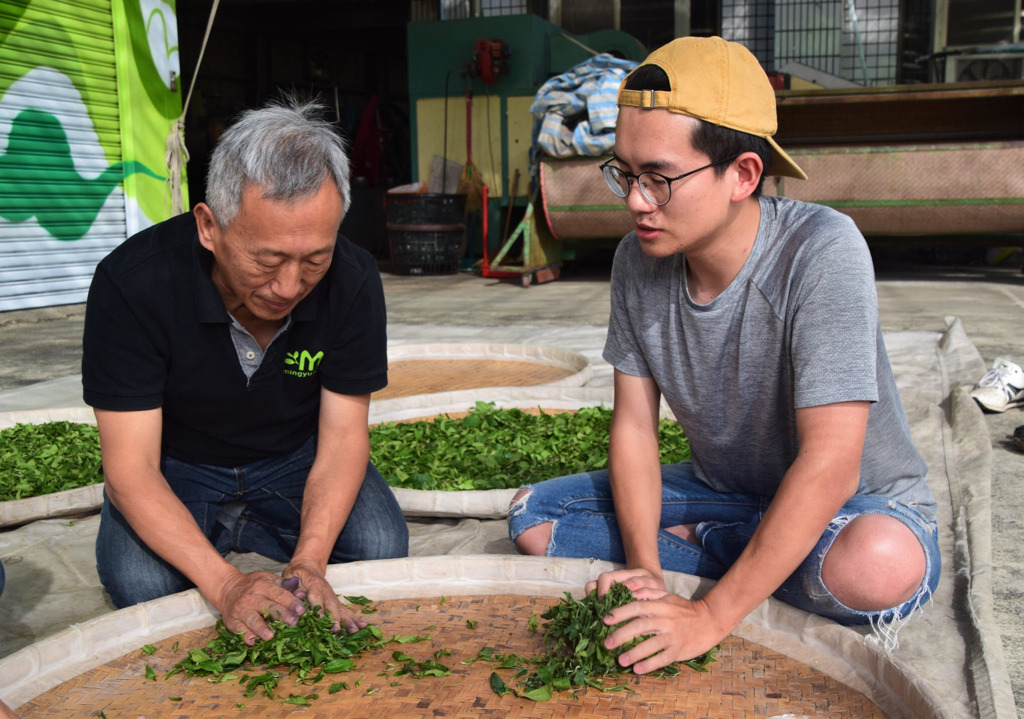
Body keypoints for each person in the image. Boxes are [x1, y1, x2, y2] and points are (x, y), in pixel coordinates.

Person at [507, 36, 940, 673]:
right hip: (726, 490)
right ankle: (736, 553)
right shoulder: (637, 261)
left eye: (659, 179)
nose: (634, 202)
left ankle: (722, 564)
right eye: (624, 174)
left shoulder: (821, 250)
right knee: (534, 517)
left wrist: (709, 617)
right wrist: (646, 571)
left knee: (878, 567)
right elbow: (633, 426)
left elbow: (832, 464)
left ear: (742, 174)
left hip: (856, 504)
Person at [82, 98, 408, 645]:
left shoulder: (352, 278)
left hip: (292, 460)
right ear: (209, 226)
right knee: (140, 583)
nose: (288, 286)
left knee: (379, 545)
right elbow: (130, 469)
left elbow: (344, 436)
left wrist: (308, 562)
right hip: (179, 464)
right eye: (267, 259)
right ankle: (220, 543)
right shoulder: (132, 284)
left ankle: (267, 534)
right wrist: (226, 584)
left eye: (314, 260)